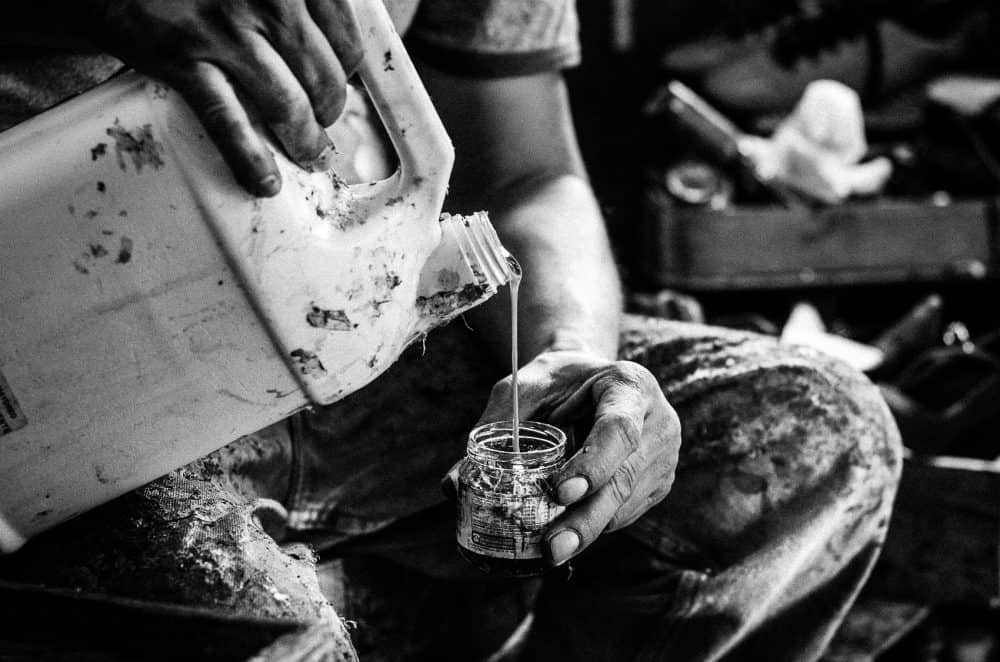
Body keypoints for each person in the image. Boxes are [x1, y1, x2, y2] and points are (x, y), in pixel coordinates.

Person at [0, 1, 901, 660]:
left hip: (356, 345)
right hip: (74, 383)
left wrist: (573, 350)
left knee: (819, 436)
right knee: (276, 634)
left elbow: (528, 175)